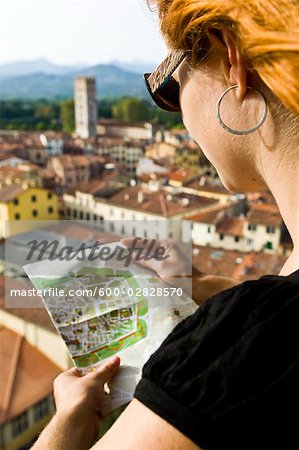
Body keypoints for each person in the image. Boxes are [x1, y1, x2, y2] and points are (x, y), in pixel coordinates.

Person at [31, 0, 299, 449]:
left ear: (230, 59)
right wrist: (219, 297)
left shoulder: (231, 363)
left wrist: (65, 425)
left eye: (168, 85)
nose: (175, 113)